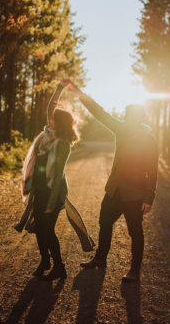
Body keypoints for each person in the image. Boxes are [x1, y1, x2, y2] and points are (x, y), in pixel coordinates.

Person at [68, 81, 158, 282]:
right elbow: (99, 113)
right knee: (104, 222)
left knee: (135, 232)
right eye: (126, 116)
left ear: (137, 118)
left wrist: (149, 197)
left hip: (135, 195)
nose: (126, 119)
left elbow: (153, 169)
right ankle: (100, 259)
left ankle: (134, 271)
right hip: (114, 190)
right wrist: (79, 92)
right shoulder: (122, 128)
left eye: (129, 116)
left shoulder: (148, 139)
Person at [17, 79, 79, 281]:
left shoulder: (62, 144)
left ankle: (59, 267)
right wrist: (60, 88)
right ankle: (45, 260)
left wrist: (52, 204)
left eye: (53, 117)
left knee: (47, 229)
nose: (49, 117)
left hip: (53, 193)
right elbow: (51, 104)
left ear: (58, 123)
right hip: (40, 190)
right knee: (38, 229)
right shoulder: (47, 136)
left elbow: (58, 175)